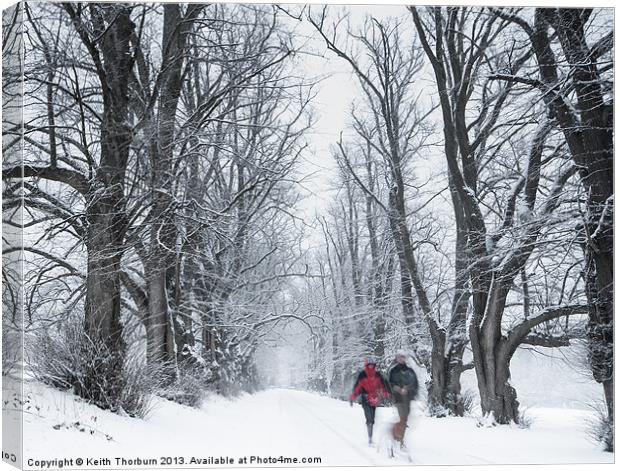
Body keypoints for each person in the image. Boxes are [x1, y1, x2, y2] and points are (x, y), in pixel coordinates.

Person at [349, 356, 390, 445]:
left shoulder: (378, 375)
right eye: (369, 365)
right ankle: (370, 438)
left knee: (373, 419)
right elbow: (357, 387)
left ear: (374, 365)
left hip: (374, 399)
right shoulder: (362, 374)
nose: (371, 366)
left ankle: (370, 433)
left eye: (372, 365)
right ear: (367, 365)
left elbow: (382, 385)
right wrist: (353, 396)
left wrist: (386, 393)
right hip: (365, 398)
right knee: (369, 419)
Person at [387, 350, 418, 446]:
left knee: (405, 420)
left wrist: (407, 389)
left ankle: (395, 432)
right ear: (396, 358)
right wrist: (397, 388)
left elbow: (415, 384)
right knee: (402, 418)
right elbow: (389, 384)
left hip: (408, 399)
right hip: (398, 398)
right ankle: (400, 438)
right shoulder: (393, 371)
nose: (401, 359)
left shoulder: (410, 371)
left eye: (403, 357)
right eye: (399, 357)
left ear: (405, 358)